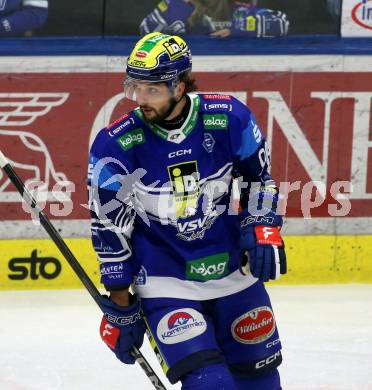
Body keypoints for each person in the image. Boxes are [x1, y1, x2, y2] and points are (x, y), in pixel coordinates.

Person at [88, 32, 287, 389]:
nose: (140, 99)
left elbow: (260, 181)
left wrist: (262, 225)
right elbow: (108, 227)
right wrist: (120, 303)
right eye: (135, 87)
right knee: (210, 384)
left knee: (261, 380)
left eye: (153, 89)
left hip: (234, 274)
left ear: (180, 86)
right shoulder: (115, 143)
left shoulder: (229, 118)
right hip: (166, 282)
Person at [140, 0, 289, 38]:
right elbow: (145, 30)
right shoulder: (178, 6)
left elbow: (281, 23)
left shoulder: (240, 9)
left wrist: (234, 30)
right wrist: (179, 7)